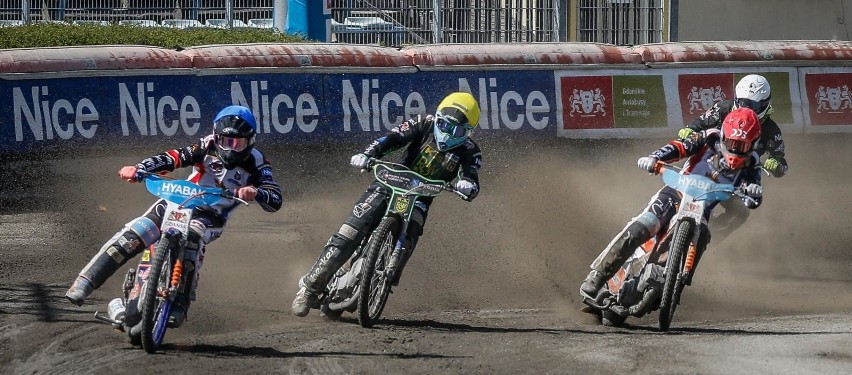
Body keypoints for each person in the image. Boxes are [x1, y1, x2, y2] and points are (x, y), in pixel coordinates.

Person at [65, 105, 283, 328]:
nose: (232, 148)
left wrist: (257, 192)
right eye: (226, 141)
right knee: (137, 231)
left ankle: (180, 302)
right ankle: (85, 282)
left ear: (251, 140)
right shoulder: (206, 145)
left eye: (239, 143)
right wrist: (139, 168)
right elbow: (173, 157)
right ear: (217, 137)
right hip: (179, 199)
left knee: (194, 234)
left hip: (212, 215)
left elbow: (275, 197)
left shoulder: (257, 161)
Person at [291, 91, 483, 317]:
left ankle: (383, 280)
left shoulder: (470, 150)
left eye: (458, 131)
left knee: (409, 237)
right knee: (349, 232)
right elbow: (391, 138)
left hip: (421, 198)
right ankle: (309, 288)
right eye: (444, 124)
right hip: (389, 183)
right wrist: (368, 154)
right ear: (437, 116)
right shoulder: (423, 123)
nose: (448, 134)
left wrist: (467, 185)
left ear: (468, 132)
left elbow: (471, 175)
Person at [579, 107, 765, 302]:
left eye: (742, 146)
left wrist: (753, 192)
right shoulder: (710, 137)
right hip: (674, 194)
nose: (735, 149)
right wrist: (655, 157)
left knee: (702, 236)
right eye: (732, 142)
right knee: (641, 228)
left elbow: (752, 198)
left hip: (702, 208)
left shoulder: (752, 163)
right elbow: (680, 147)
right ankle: (598, 275)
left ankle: (675, 282)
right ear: (724, 136)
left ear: (753, 145)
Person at [677, 74, 786, 240]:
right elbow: (701, 121)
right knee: (676, 188)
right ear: (736, 99)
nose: (748, 109)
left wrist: (776, 163)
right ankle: (655, 213)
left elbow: (780, 160)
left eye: (754, 105)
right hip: (707, 161)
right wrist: (689, 130)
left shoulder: (771, 130)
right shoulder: (724, 108)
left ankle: (711, 238)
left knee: (740, 213)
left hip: (733, 178)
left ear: (765, 104)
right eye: (744, 103)